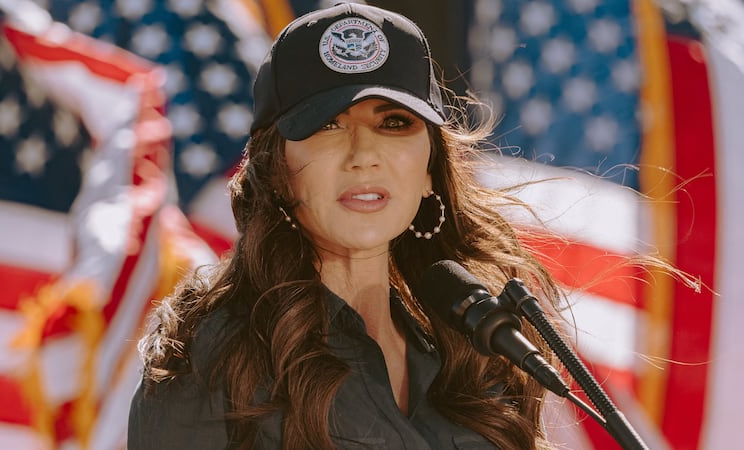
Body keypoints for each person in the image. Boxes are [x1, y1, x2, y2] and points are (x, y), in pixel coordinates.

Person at [128, 3, 564, 449]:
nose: (363, 155)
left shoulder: (476, 354)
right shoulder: (213, 355)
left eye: (394, 122)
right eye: (328, 125)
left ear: (430, 168)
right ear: (277, 168)